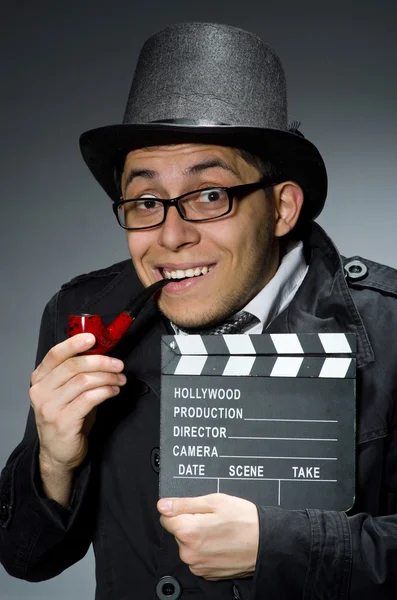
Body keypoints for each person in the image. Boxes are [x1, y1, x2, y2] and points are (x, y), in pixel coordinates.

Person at [1, 21, 397, 600]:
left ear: (283, 208)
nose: (170, 235)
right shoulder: (84, 315)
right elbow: (27, 559)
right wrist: (54, 463)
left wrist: (283, 547)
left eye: (210, 195)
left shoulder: (388, 330)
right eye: (144, 200)